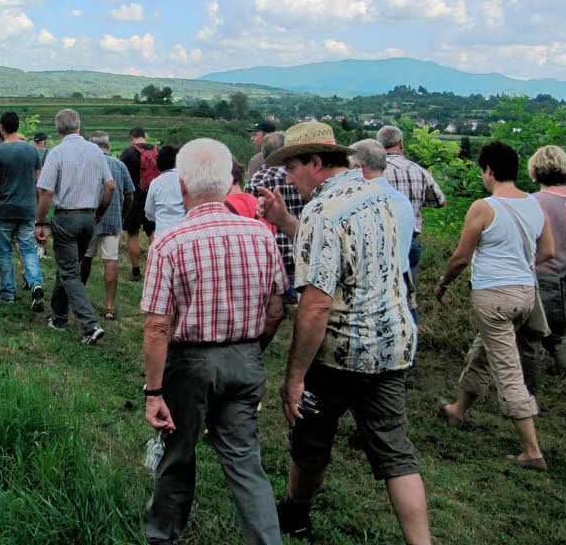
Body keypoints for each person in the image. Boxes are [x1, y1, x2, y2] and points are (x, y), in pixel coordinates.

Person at [258, 122, 430, 545]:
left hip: (340, 352)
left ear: (316, 163)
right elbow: (339, 254)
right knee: (396, 452)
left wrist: (295, 377)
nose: (289, 177)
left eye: (293, 167)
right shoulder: (388, 197)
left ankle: (297, 514)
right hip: (392, 345)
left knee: (311, 438)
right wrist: (285, 221)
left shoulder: (323, 211)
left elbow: (316, 303)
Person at [141, 138, 286, 545]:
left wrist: (154, 391)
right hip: (245, 357)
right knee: (244, 459)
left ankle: (163, 535)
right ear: (228, 184)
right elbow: (276, 307)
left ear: (182, 186)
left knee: (178, 453)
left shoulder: (170, 243)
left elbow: (156, 326)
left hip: (189, 364)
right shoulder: (261, 235)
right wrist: (254, 349)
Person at [435, 141, 554, 471]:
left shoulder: (483, 207)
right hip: (524, 294)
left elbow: (460, 257)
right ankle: (457, 410)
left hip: (494, 297)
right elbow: (548, 251)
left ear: (489, 171)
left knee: (507, 368)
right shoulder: (533, 204)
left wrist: (443, 284)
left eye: (482, 171)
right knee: (485, 350)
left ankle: (532, 451)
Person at [35, 109, 114, 344]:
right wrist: (99, 212)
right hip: (89, 218)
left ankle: (90, 325)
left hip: (66, 217)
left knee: (70, 271)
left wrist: (40, 221)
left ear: (59, 129)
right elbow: (110, 186)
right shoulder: (96, 151)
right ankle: (58, 318)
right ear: (79, 125)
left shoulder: (57, 153)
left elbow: (46, 191)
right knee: (68, 267)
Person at [519, 145, 566, 391]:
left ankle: (527, 399)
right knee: (558, 338)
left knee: (529, 341)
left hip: (542, 280)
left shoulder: (532, 202)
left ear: (535, 171)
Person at [351, 139, 417, 321]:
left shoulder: (359, 203)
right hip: (398, 288)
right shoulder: (403, 201)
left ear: (358, 168)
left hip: (367, 296)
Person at [0, 111, 44, 307]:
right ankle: (35, 283)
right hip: (27, 208)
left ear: (1, 127)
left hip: (5, 208)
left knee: (4, 250)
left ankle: (8, 292)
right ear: (18, 126)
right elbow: (39, 182)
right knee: (27, 248)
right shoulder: (32, 151)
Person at [378, 125, 447, 289]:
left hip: (380, 238)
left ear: (379, 145)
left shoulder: (373, 171)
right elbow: (441, 202)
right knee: (408, 296)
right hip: (410, 238)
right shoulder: (419, 171)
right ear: (401, 143)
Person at [81, 133, 134, 321]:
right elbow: (129, 194)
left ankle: (80, 299)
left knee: (85, 258)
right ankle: (109, 306)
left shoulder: (86, 164)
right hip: (112, 220)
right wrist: (122, 214)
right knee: (111, 260)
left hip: (90, 218)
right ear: (109, 146)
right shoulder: (119, 165)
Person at [247, 132, 302, 303]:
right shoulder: (297, 175)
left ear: (264, 155)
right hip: (298, 243)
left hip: (273, 250)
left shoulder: (257, 179)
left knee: (274, 302)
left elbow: (252, 214)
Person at [120, 126, 158, 280]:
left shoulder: (128, 153)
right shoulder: (158, 151)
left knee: (133, 235)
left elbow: (120, 174)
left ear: (132, 138)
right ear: (144, 136)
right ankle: (157, 270)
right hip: (153, 198)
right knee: (153, 234)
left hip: (134, 199)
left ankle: (136, 272)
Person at [145, 145, 185, 237]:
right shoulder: (186, 181)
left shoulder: (155, 183)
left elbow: (149, 211)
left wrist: (159, 217)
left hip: (161, 233)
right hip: (183, 231)